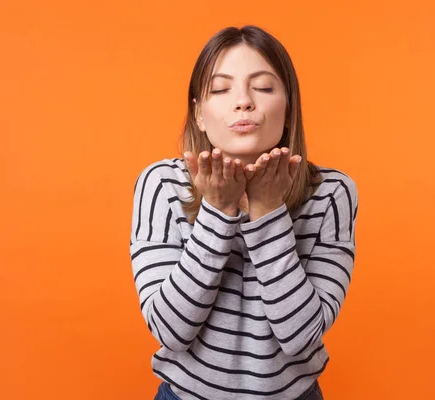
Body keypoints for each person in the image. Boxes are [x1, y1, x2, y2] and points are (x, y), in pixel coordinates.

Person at [130, 25, 359, 400]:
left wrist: (268, 213)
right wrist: (218, 210)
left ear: (288, 109)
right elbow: (170, 331)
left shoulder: (331, 193)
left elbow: (300, 339)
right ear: (199, 114)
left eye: (264, 87)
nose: (243, 102)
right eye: (221, 89)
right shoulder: (162, 184)